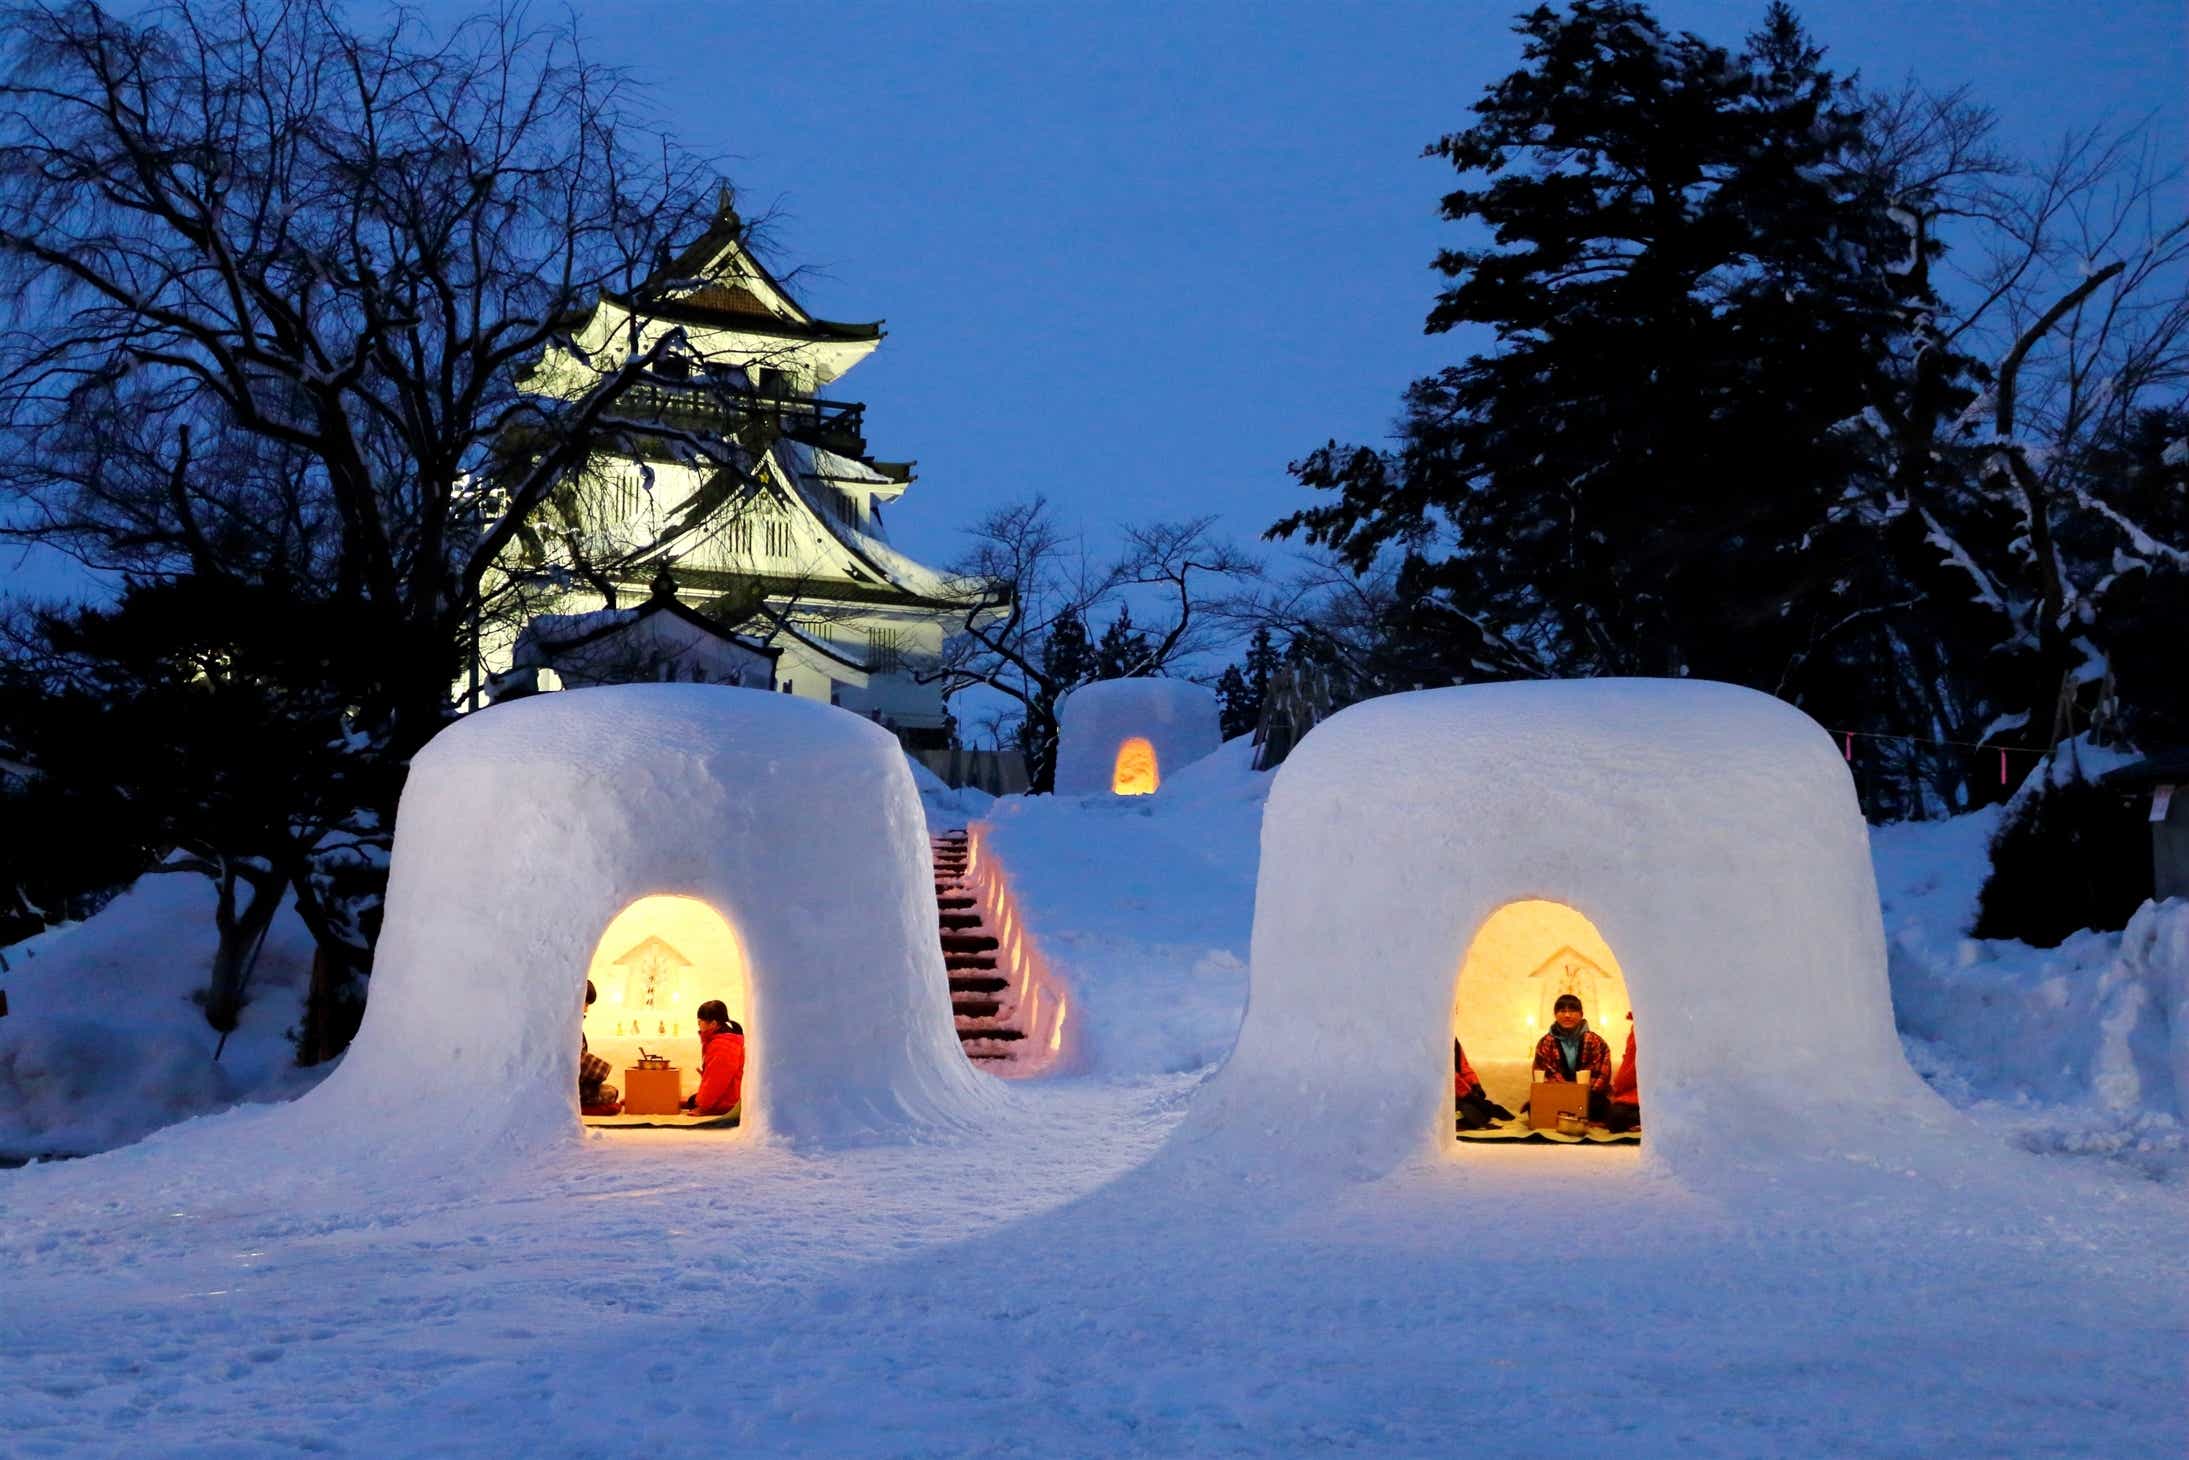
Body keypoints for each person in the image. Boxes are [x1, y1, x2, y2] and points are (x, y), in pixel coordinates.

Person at [1531, 993, 1613, 1124]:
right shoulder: (1546, 1042)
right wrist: (1566, 1090)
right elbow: (1543, 1072)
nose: (1567, 1015)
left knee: (1601, 1106)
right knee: (1534, 1108)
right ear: (1555, 1014)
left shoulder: (1595, 1041)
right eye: (1562, 1011)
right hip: (1557, 1094)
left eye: (1573, 1010)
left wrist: (1580, 1093)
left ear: (1581, 1014)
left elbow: (1602, 1074)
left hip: (1588, 1096)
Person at [683, 998, 745, 1120]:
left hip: (730, 1100)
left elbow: (716, 1080)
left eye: (700, 1021)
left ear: (713, 1024)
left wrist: (702, 1108)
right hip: (730, 1094)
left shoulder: (723, 1045)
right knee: (692, 1100)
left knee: (693, 1103)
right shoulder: (724, 1039)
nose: (699, 1024)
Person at [579, 979, 622, 1116]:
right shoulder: (567, 1028)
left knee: (611, 1091)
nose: (586, 1008)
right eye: (585, 1003)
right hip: (567, 1086)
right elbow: (575, 1059)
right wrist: (600, 1070)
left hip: (581, 1082)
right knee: (609, 1093)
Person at [1453, 1038, 1513, 1131]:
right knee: (1471, 1111)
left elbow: (1464, 1067)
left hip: (1462, 1094)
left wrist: (1475, 1085)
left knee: (1485, 1110)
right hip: (1447, 1097)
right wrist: (1467, 1095)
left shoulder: (1453, 1041)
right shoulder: (1435, 1040)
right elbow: (1449, 1075)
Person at [1605, 1011, 1640, 1134]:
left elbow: (1631, 1066)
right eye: (1563, 1011)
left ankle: (1644, 1123)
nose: (1567, 1015)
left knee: (1614, 1116)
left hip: (1638, 1095)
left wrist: (1616, 1087)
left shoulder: (1641, 1029)